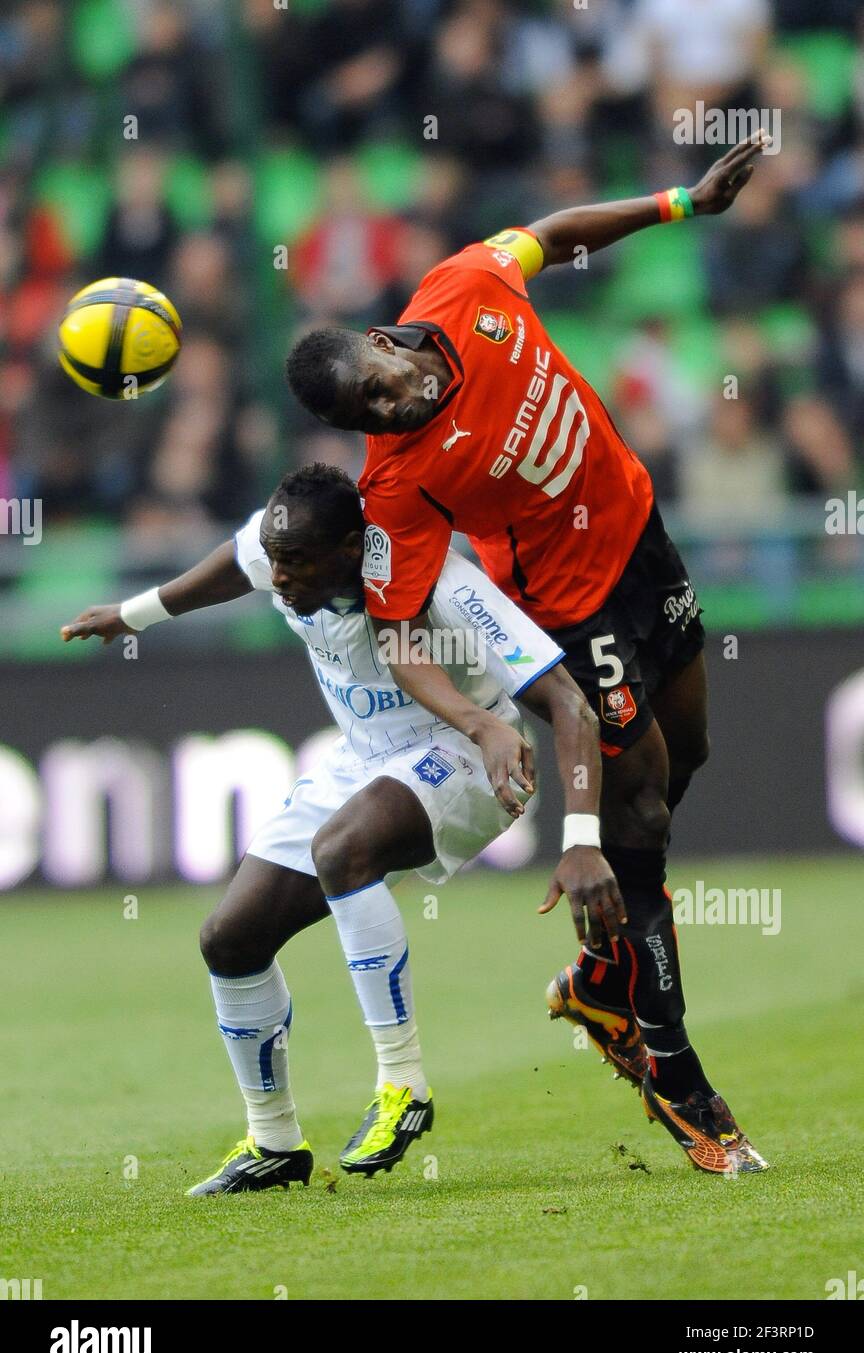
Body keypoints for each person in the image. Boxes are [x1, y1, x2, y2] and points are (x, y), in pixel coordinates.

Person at [285, 135, 771, 1173]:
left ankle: (602, 979)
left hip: (640, 532)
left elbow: (551, 236)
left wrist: (681, 204)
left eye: (382, 382)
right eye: (367, 414)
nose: (391, 406)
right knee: (633, 813)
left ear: (388, 338)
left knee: (688, 759)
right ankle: (678, 1076)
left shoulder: (464, 285)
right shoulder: (397, 487)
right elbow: (401, 625)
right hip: (570, 608)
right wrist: (474, 717)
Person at [61, 463, 634, 1193]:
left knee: (343, 850)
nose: (279, 576)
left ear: (353, 550)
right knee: (229, 939)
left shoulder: (444, 584)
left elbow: (572, 706)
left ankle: (403, 1086)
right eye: (274, 558)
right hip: (362, 758)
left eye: (295, 562)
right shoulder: (283, 546)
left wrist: (581, 840)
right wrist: (133, 615)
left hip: (468, 754)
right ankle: (273, 1142)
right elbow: (228, 570)